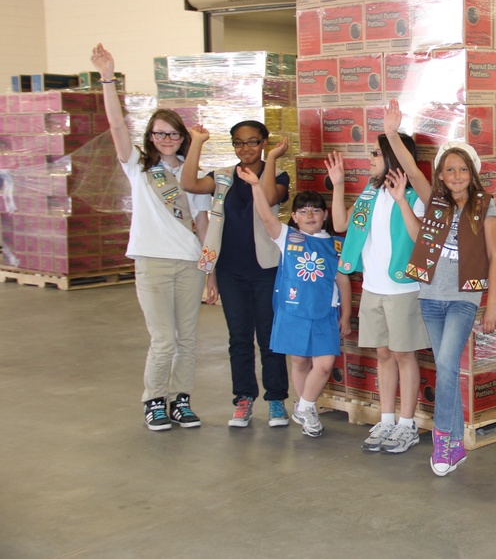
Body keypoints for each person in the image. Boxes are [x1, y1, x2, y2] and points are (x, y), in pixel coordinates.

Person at [91, 43, 212, 431]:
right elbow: (115, 127)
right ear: (150, 136)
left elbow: (205, 224)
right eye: (159, 133)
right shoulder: (139, 168)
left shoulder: (194, 175)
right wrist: (108, 78)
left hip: (190, 264)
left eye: (173, 133)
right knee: (163, 340)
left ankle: (181, 401)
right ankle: (154, 401)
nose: (166, 139)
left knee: (188, 339)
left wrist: (210, 272)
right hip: (153, 263)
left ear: (183, 137)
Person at [385, 122, 496, 476]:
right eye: (449, 169)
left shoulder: (486, 206)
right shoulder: (433, 201)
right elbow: (407, 167)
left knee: (448, 364)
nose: (456, 175)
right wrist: (392, 134)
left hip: (464, 297)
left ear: (473, 172)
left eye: (462, 168)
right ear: (439, 174)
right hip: (430, 297)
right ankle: (456, 447)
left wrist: (492, 304)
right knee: (447, 367)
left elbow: (495, 256)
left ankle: (442, 439)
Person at [180, 122, 291, 429]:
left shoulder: (277, 175)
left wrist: (272, 161)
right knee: (239, 338)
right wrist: (197, 143)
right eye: (239, 143)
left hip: (266, 269)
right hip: (230, 270)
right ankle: (243, 398)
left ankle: (276, 399)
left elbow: (268, 198)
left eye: (253, 142)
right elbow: (188, 183)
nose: (246, 149)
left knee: (270, 338)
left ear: (264, 143)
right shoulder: (223, 176)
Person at [334, 100, 430, 454]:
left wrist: (402, 199)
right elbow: (343, 227)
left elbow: (422, 238)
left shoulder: (415, 196)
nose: (370, 158)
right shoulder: (369, 192)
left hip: (403, 289)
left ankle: (407, 425)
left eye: (376, 153)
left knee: (406, 356)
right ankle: (386, 419)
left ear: (394, 157)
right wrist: (339, 184)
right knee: (384, 354)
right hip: (373, 288)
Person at [239, 164, 352, 438]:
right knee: (300, 362)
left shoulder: (335, 245)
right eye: (303, 211)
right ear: (294, 217)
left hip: (325, 313)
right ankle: (307, 414)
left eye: (315, 210)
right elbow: (266, 218)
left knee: (324, 364)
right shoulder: (288, 237)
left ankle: (304, 405)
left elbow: (343, 281)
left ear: (325, 215)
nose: (310, 215)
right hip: (293, 313)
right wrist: (256, 186)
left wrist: (345, 315)